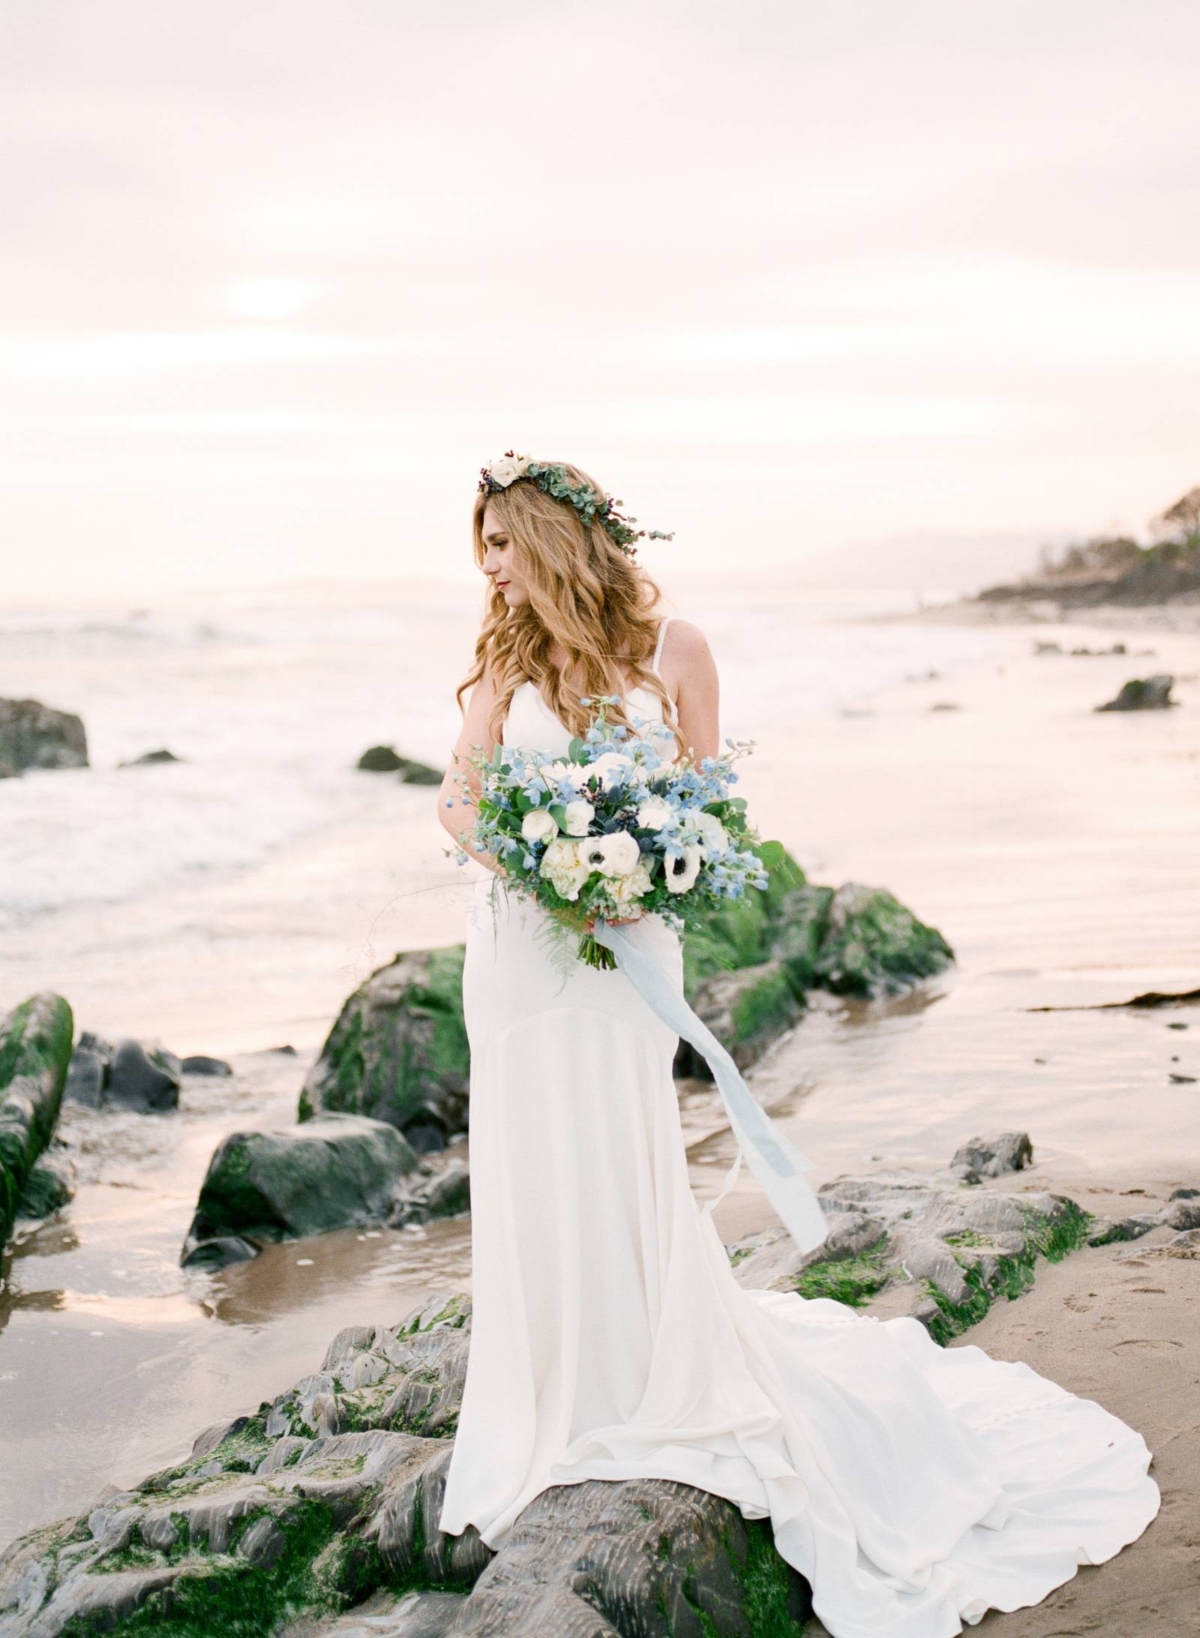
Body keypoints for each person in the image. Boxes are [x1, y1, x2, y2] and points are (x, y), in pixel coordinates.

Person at [433, 456, 1160, 1637]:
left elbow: (714, 802)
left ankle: (640, 1367)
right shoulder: (506, 658)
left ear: (555, 540)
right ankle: (548, 1391)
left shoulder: (678, 649)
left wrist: (633, 871)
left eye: (503, 545)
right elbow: (459, 799)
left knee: (619, 1142)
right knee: (531, 1146)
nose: (489, 569)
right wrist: (543, 865)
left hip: (629, 943)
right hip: (522, 946)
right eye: (481, 550)